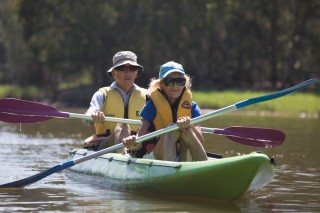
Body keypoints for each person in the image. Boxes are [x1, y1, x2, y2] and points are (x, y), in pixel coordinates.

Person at [122, 61, 208, 161]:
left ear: (185, 83)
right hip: (156, 156)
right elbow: (139, 141)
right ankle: (171, 170)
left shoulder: (192, 106)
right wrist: (133, 142)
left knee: (186, 129)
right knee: (172, 129)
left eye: (180, 81)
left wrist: (189, 125)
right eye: (170, 82)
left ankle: (205, 166)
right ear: (162, 84)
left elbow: (200, 140)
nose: (175, 86)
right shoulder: (151, 105)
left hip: (182, 155)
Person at [84, 51, 148, 152]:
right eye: (122, 68)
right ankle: (124, 156)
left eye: (132, 68)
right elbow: (87, 117)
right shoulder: (102, 94)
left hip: (138, 144)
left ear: (136, 72)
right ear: (114, 73)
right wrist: (93, 115)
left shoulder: (148, 96)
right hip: (107, 145)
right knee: (122, 125)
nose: (127, 73)